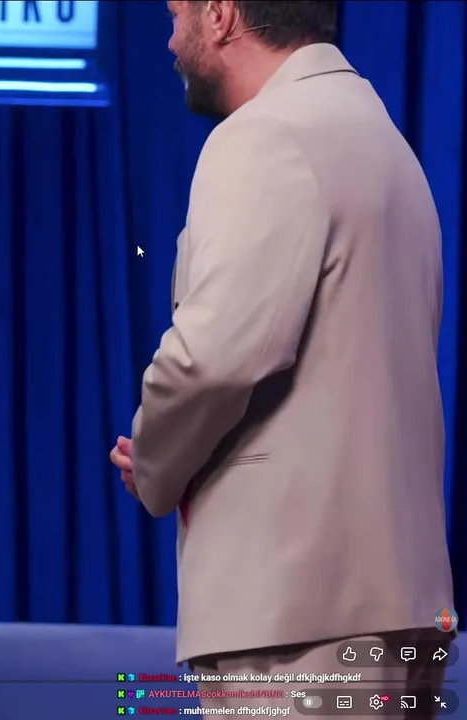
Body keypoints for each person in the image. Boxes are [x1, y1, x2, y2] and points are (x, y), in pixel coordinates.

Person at [110, 0, 453, 714]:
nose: (168, 41)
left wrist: (156, 462)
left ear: (221, 14)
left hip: (295, 612)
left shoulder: (266, 135)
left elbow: (214, 358)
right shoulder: (386, 143)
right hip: (401, 606)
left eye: (176, 14)